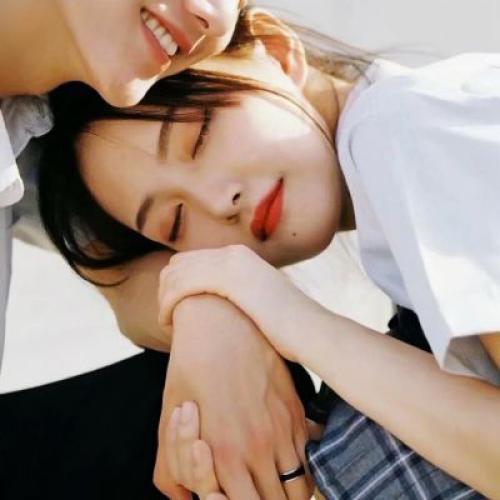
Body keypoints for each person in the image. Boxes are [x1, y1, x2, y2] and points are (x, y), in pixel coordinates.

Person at [37, 5, 500, 499]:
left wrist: (293, 319)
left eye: (200, 138)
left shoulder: (401, 126)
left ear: (276, 53)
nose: (220, 201)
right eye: (176, 221)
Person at [1, 2, 301, 499]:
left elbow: (123, 271)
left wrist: (214, 307)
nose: (205, 12)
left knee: (204, 405)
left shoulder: (50, 126)